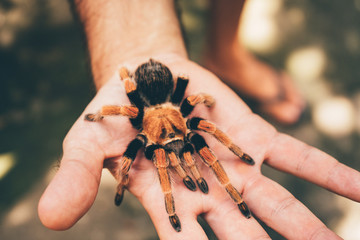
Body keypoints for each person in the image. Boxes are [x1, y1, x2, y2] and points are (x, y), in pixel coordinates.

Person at [38, 0, 359, 239]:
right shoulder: (141, 123)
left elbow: (201, 106)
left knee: (208, 137)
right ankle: (224, 54)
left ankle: (225, 52)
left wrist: (234, 146)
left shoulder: (190, 121)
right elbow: (124, 101)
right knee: (171, 155)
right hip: (155, 101)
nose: (181, 151)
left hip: (167, 104)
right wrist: (106, 115)